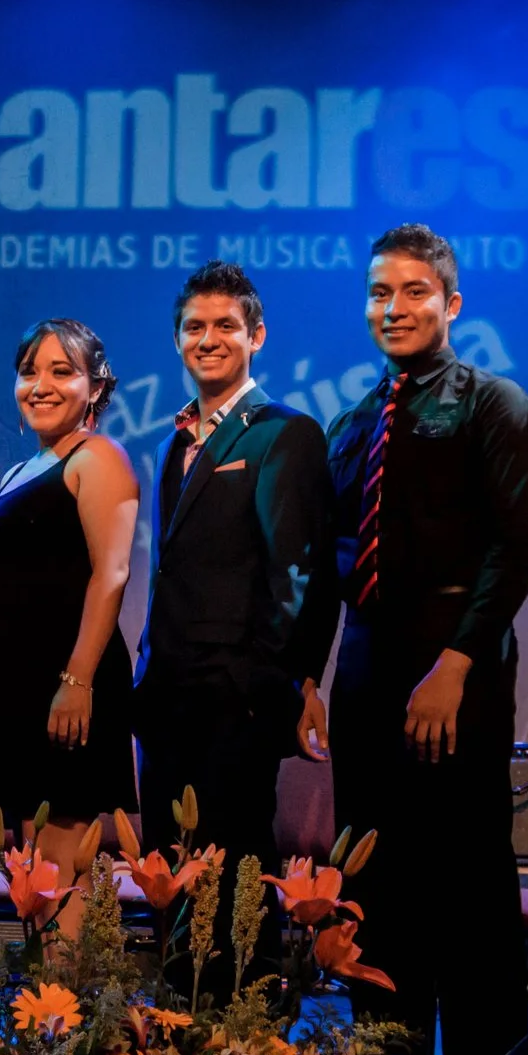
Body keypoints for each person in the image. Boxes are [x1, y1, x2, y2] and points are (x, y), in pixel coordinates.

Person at [308, 224, 528, 1055]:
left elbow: (517, 548)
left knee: (470, 894)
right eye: (380, 292)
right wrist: (310, 678)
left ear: (451, 303)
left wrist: (457, 663)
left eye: (414, 291)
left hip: (454, 664)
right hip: (369, 665)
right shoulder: (352, 424)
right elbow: (329, 562)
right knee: (376, 889)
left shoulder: (493, 403)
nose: (394, 308)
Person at [133, 262, 331, 914]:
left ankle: (246, 988)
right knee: (172, 889)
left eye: (226, 325)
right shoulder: (173, 442)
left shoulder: (284, 432)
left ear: (257, 337)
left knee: (234, 891)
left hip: (233, 703)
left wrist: (266, 685)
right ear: (177, 339)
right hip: (165, 699)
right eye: (195, 327)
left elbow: (296, 574)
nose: (209, 339)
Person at [0, 318, 140, 894]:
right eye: (28, 372)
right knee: (29, 875)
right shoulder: (20, 471)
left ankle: (69, 962)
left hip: (67, 684)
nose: (40, 385)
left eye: (61, 372)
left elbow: (112, 573)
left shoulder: (98, 457)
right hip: (14, 690)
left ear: (95, 387)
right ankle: (41, 963)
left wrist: (78, 679)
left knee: (61, 872)